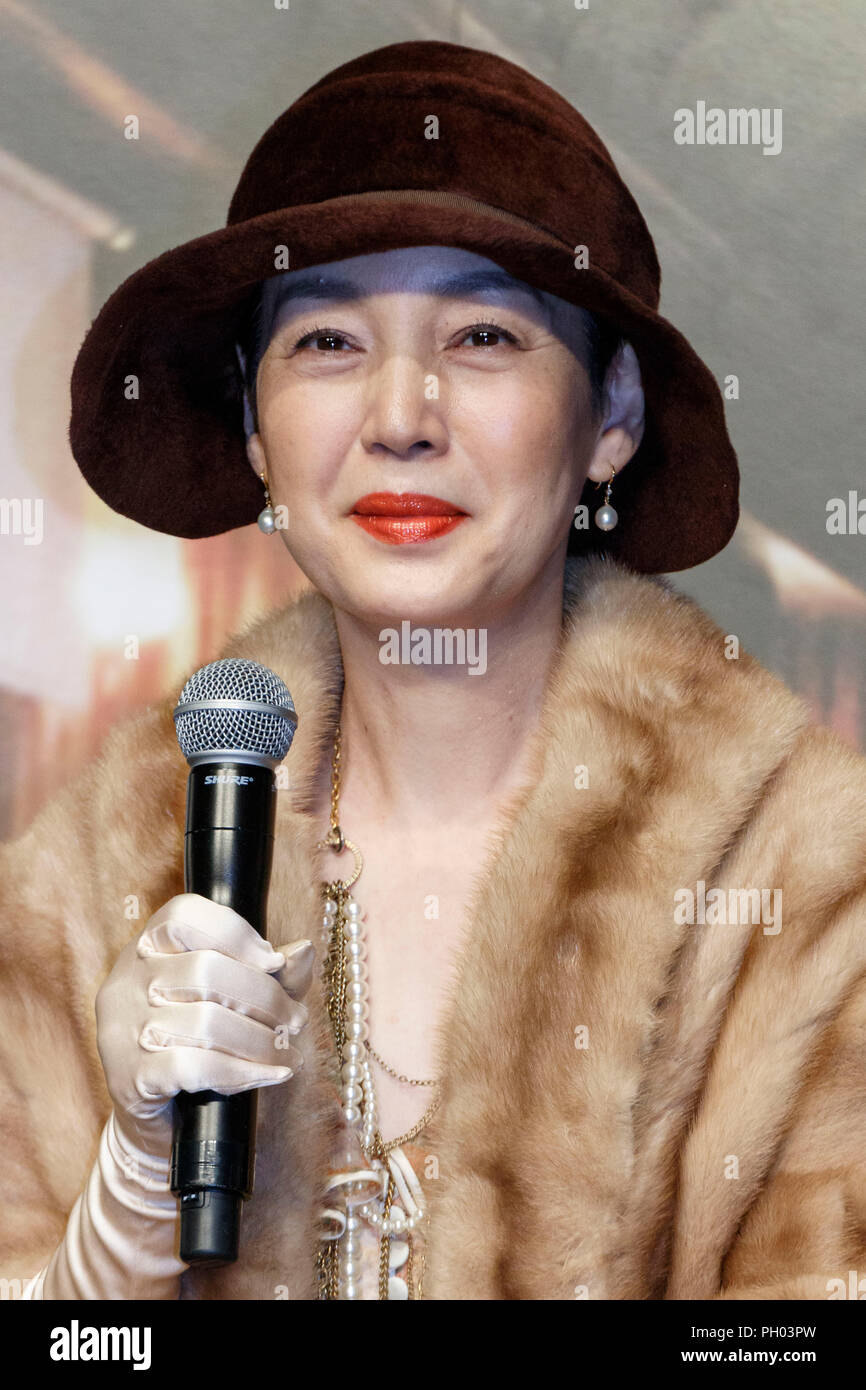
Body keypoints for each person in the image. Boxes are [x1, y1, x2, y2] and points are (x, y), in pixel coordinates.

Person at [3, 39, 866, 1302]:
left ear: (610, 417)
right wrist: (129, 1203)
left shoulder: (806, 881)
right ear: (253, 421)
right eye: (327, 344)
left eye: (480, 334)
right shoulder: (85, 881)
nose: (400, 415)